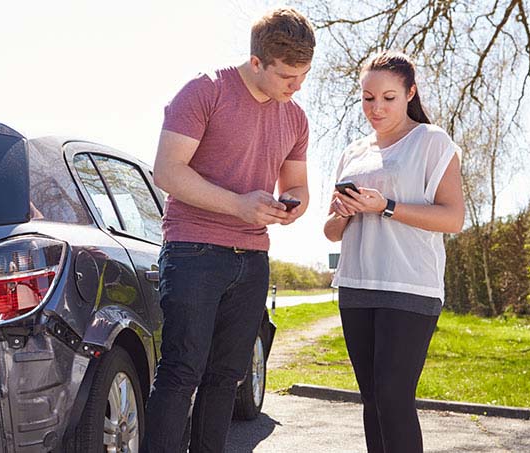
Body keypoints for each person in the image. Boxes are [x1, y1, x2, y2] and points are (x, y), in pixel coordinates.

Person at [141, 8, 315, 453]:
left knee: (226, 378)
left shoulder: (294, 118)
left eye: (303, 75)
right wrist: (240, 205)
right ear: (256, 62)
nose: (296, 87)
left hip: (253, 258)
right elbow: (167, 171)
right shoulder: (205, 91)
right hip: (193, 251)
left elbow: (296, 183)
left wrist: (293, 207)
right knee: (182, 372)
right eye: (287, 77)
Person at [324, 50, 465, 453]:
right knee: (372, 401)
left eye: (388, 97)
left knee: (392, 396)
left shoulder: (432, 141)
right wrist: (346, 212)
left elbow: (453, 218)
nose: (377, 107)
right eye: (368, 98)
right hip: (356, 285)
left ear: (410, 93)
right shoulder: (353, 152)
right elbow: (332, 232)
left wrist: (384, 205)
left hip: (410, 286)